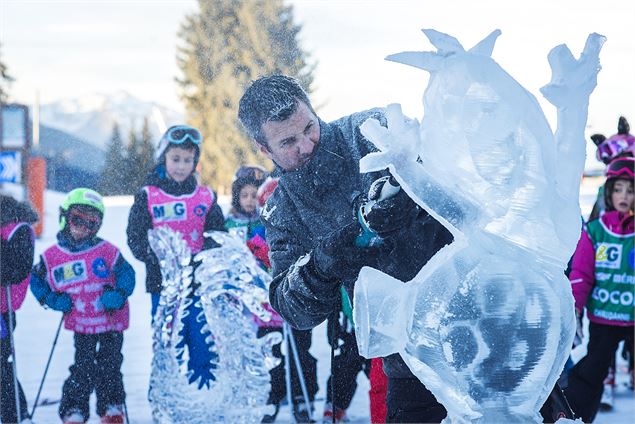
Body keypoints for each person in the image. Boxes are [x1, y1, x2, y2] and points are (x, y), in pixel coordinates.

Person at [238, 74, 454, 423]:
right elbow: (291, 307)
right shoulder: (282, 210)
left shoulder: (370, 132)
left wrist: (415, 197)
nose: (306, 145)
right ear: (265, 149)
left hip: (474, 313)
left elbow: (456, 179)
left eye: (309, 127)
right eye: (289, 141)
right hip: (406, 356)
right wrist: (320, 267)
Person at [126, 124, 226, 389]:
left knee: (203, 344)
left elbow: (218, 234)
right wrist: (156, 256)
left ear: (195, 162)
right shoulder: (148, 196)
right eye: (175, 159)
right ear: (164, 158)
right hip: (163, 287)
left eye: (187, 160)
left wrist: (209, 254)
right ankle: (168, 399)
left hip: (199, 287)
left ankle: (203, 398)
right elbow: (135, 236)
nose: (181, 166)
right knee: (169, 347)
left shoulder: (205, 196)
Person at [29, 188, 136, 424]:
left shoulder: (107, 251)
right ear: (65, 217)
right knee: (83, 367)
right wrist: (52, 299)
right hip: (82, 322)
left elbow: (127, 274)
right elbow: (36, 280)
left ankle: (111, 406)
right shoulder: (53, 256)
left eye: (91, 223)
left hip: (110, 320)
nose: (82, 227)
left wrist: (118, 294)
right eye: (77, 219)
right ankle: (74, 408)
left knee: (110, 366)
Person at [564, 157, 634, 423]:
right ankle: (575, 416)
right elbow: (582, 274)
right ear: (609, 192)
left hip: (632, 318)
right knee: (592, 372)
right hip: (604, 316)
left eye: (630, 190)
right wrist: (575, 305)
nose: (624, 196)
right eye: (618, 189)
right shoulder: (595, 231)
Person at [0, 194, 37, 424]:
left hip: (3, 309)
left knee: (2, 366)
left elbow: (15, 270)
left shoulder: (18, 230)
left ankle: (15, 414)